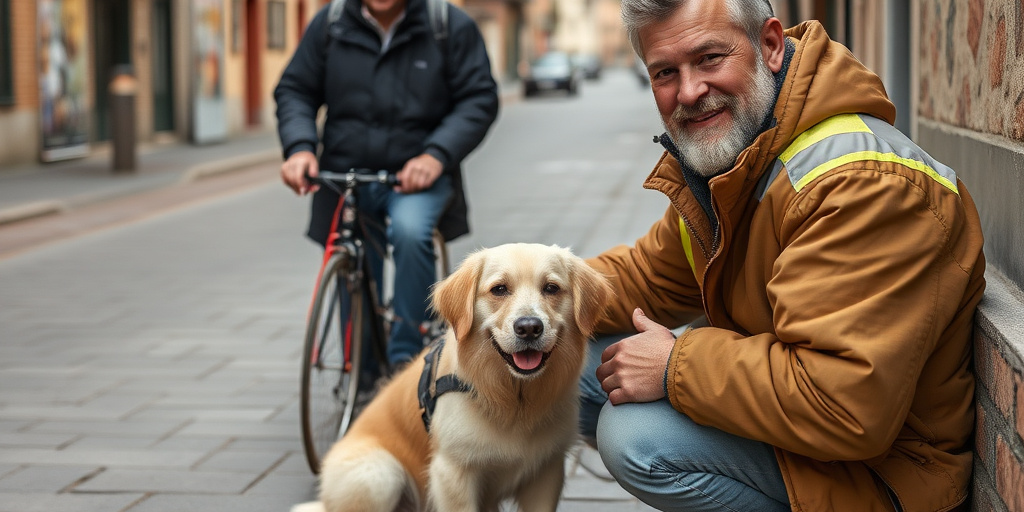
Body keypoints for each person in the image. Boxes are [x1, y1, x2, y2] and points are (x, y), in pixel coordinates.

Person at [578, 0, 986, 511]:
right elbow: (645, 276)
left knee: (635, 436)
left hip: (883, 475)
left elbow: (841, 405)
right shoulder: (741, 158)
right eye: (665, 72)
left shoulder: (859, 184)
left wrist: (674, 365)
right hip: (797, 430)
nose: (689, 92)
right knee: (561, 354)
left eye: (709, 58)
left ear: (769, 46)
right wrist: (514, 297)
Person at [274, 0, 499, 368]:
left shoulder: (447, 25)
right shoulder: (330, 24)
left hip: (416, 177)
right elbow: (295, 90)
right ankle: (360, 374)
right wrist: (299, 148)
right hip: (345, 177)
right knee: (352, 262)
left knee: (411, 232)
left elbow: (478, 98)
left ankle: (405, 362)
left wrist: (435, 155)